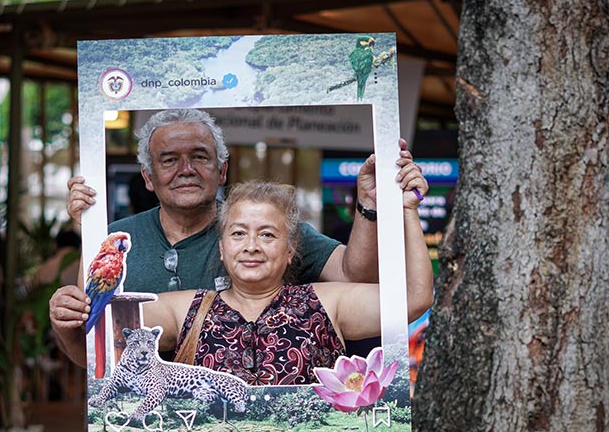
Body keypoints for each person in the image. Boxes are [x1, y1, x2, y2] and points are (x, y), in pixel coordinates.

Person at [57, 180, 433, 432]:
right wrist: (85, 238)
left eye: (267, 235)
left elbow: (415, 298)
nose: (251, 246)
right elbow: (101, 325)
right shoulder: (186, 308)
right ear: (222, 248)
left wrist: (407, 210)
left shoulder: (326, 303)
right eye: (238, 234)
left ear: (289, 251)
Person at [50, 108, 423, 359]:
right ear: (148, 177)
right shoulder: (116, 242)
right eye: (168, 160)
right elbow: (97, 349)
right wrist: (67, 323)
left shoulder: (267, 231)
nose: (186, 169)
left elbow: (359, 278)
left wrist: (374, 205)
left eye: (200, 156)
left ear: (222, 170)